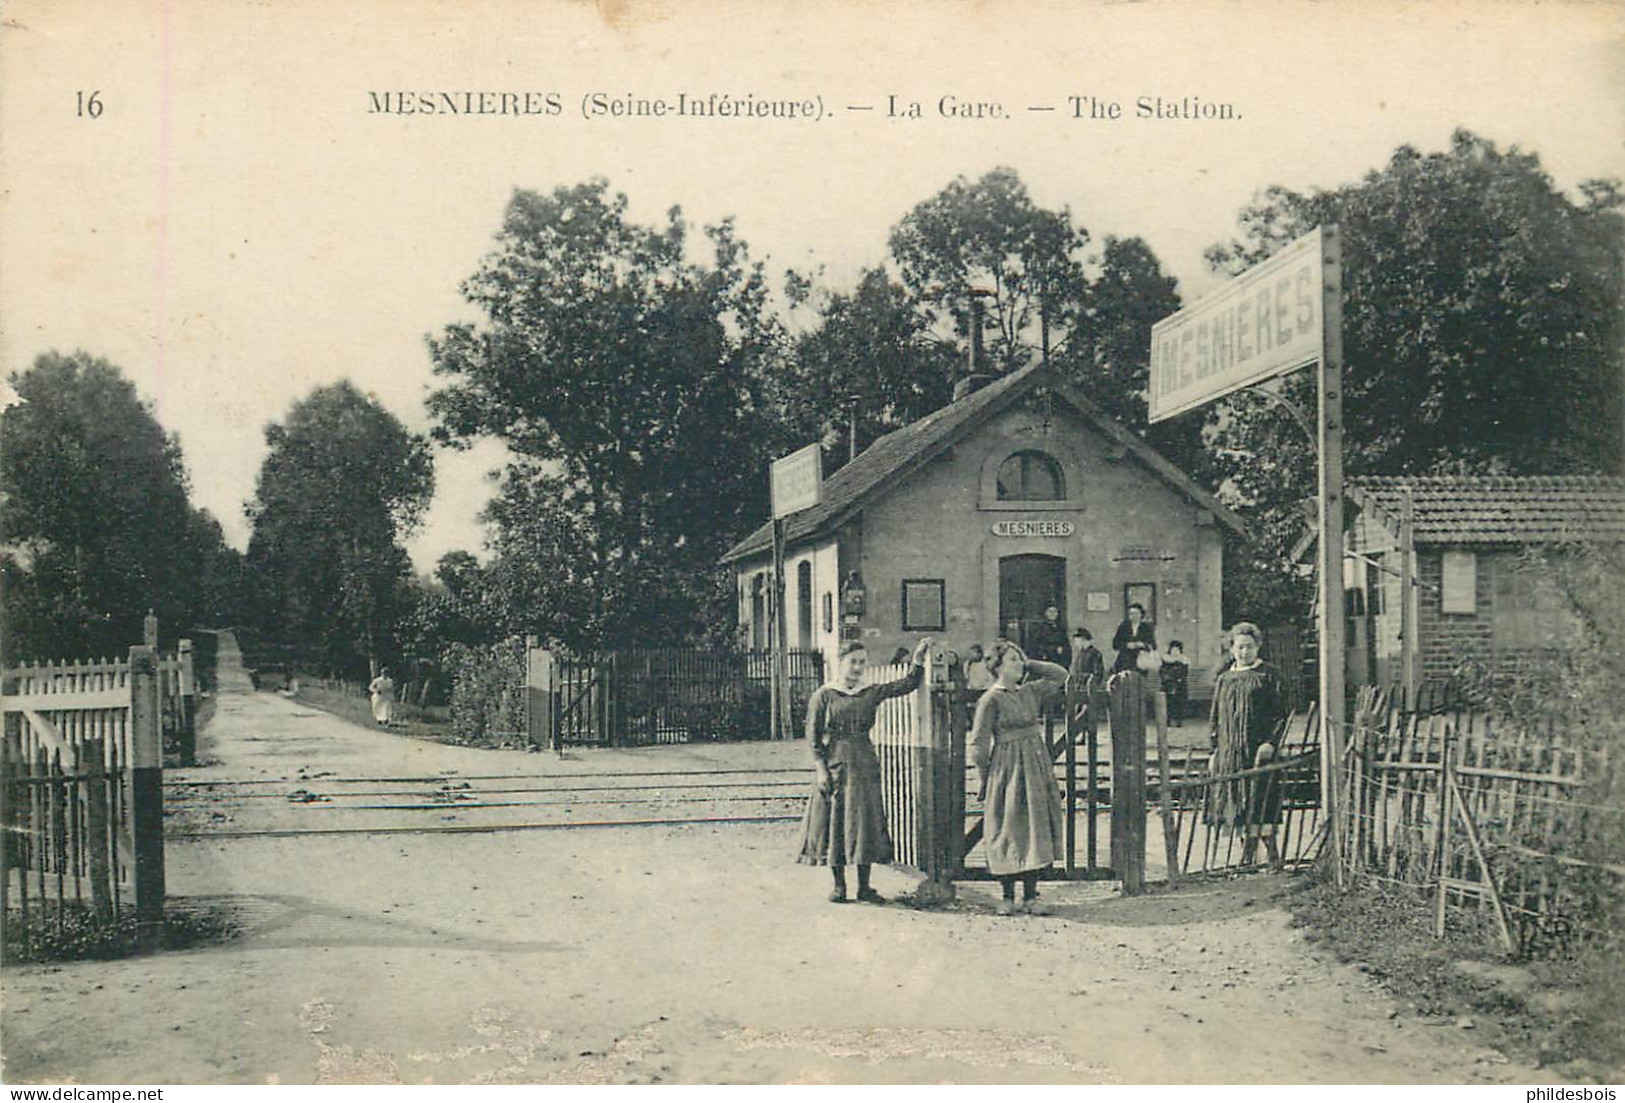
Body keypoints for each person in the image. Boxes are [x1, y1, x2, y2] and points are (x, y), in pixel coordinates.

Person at [798, 636, 933, 903]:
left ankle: (865, 886)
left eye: (862, 662)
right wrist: (821, 770)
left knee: (864, 823)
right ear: (840, 663)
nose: (857, 668)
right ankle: (839, 886)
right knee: (836, 823)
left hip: (865, 761)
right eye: (852, 662)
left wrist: (917, 659)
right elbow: (812, 737)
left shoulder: (869, 691)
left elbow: (906, 685)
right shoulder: (824, 695)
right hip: (836, 762)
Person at [972, 639, 1069, 915]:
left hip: (1035, 765)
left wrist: (1030, 662)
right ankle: (1006, 897)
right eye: (1012, 659)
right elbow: (978, 745)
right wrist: (986, 778)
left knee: (1034, 827)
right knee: (1008, 828)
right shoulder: (990, 699)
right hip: (1007, 769)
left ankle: (1030, 897)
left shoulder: (1030, 692)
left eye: (1019, 658)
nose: (1018, 663)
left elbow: (1061, 676)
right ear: (998, 666)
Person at [1206, 623, 1287, 869]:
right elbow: (1215, 718)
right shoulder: (1224, 679)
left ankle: (1272, 856)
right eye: (1240, 647)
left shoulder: (1269, 675)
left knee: (1261, 799)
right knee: (1238, 802)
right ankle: (1247, 856)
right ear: (1232, 649)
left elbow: (1281, 714)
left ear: (1258, 647)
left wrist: (1270, 742)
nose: (1245, 652)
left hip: (1258, 751)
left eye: (1250, 647)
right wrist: (1214, 750)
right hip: (1231, 752)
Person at [1068, 628, 1105, 746]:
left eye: (1077, 641)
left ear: (1083, 639)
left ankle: (1090, 738)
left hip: (1089, 688)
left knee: (1088, 714)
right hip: (1079, 687)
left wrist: (1087, 680)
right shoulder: (1080, 654)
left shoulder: (1095, 654)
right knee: (1078, 712)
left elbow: (1098, 672)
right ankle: (1082, 737)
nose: (1075, 644)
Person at [1111, 602, 1157, 675]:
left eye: (1136, 613)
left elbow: (1153, 645)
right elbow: (1115, 644)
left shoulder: (1146, 628)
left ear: (1141, 614)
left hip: (1141, 662)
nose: (1133, 616)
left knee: (1138, 683)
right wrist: (1127, 645)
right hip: (1124, 661)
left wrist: (1142, 644)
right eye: (1131, 613)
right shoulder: (1123, 626)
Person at [1160, 639, 1190, 727]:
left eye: (1177, 650)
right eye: (1173, 650)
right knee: (1168, 696)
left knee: (1179, 694)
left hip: (1179, 684)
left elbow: (1184, 673)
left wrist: (1179, 679)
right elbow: (1162, 672)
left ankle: (1178, 719)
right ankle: (1168, 719)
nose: (1175, 652)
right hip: (1167, 684)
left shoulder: (1183, 660)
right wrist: (1168, 679)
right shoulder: (1166, 660)